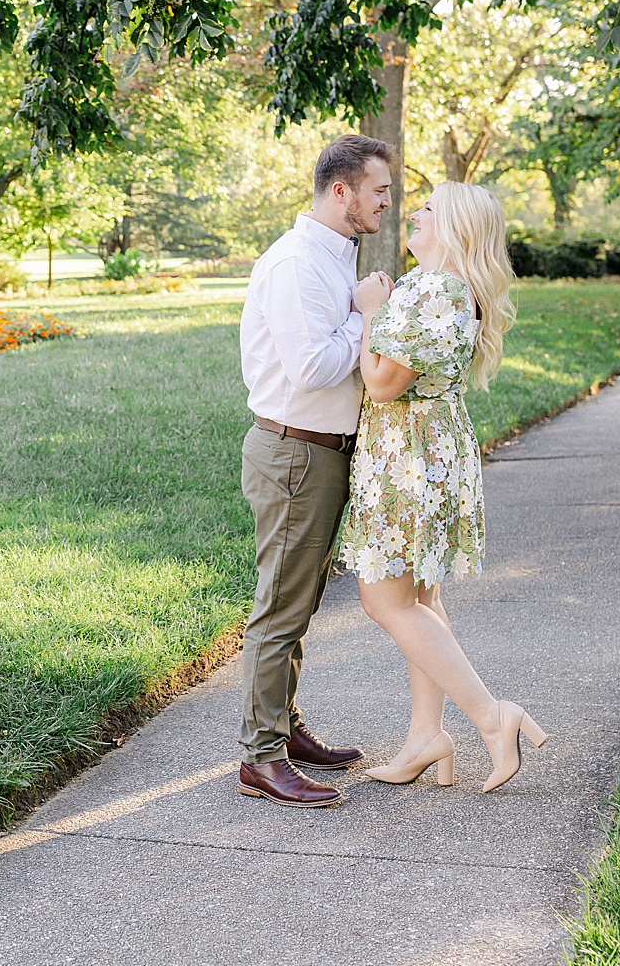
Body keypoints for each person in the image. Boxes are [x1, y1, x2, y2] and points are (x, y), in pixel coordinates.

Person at [340, 181, 547, 792]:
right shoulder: (453, 290)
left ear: (454, 228)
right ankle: (426, 738)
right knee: (420, 601)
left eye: (430, 209)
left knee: (386, 601)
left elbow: (381, 385)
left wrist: (370, 310)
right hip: (433, 453)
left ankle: (492, 717)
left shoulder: (431, 289)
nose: (416, 214)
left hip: (406, 459)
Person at [235, 133, 397, 809]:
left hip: (321, 452)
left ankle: (286, 728)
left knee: (298, 607)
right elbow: (313, 367)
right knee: (279, 609)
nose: (387, 204)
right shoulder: (299, 264)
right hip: (295, 451)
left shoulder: (332, 258)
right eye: (379, 192)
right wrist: (367, 317)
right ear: (342, 191)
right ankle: (261, 757)